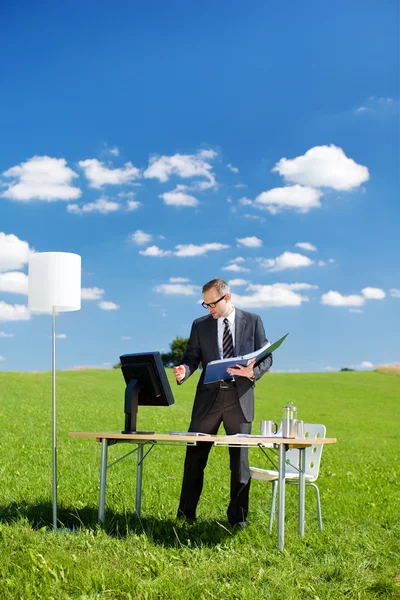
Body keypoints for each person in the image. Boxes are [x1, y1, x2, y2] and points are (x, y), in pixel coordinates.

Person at [173, 278, 272, 527]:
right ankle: (185, 516)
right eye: (205, 305)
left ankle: (237, 519)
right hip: (208, 400)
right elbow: (191, 358)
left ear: (227, 298)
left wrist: (252, 372)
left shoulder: (253, 321)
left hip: (239, 398)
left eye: (212, 304)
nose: (209, 309)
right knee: (194, 458)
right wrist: (185, 370)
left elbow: (266, 357)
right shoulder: (200, 325)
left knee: (239, 463)